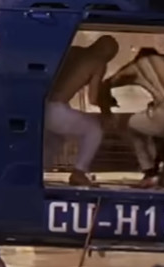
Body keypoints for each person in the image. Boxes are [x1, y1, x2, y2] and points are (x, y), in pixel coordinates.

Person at [98, 47, 164, 189]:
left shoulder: (139, 65)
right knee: (154, 128)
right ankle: (159, 163)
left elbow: (107, 83)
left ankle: (150, 172)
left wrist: (107, 106)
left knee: (127, 124)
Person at [45, 35, 119, 186]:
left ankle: (36, 171)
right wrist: (106, 107)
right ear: (108, 54)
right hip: (56, 109)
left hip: (41, 105)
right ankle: (79, 172)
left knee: (54, 139)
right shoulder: (98, 62)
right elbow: (92, 98)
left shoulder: (72, 51)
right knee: (94, 129)